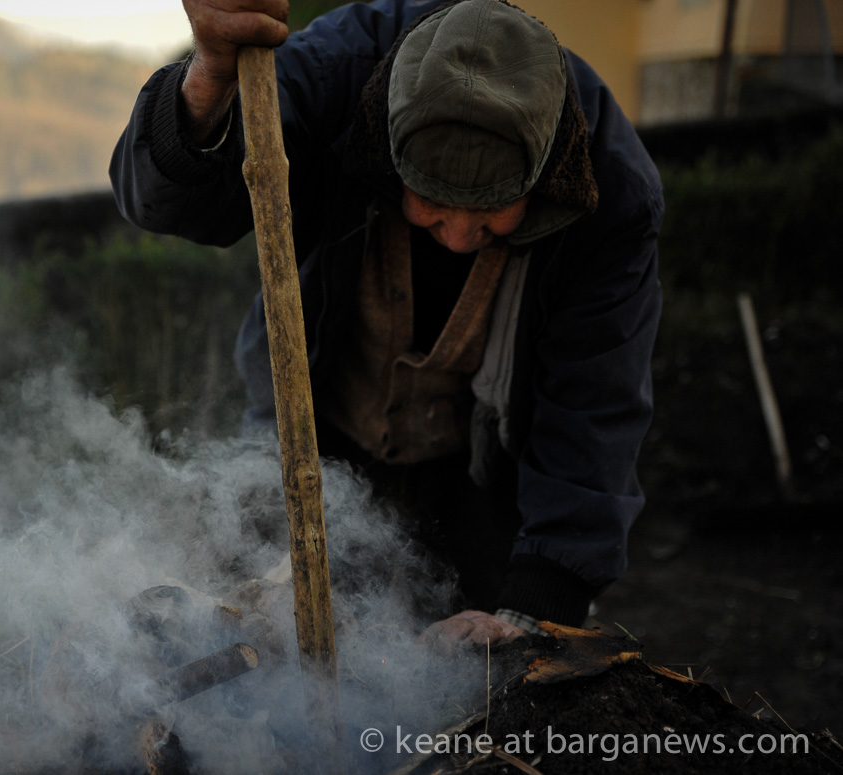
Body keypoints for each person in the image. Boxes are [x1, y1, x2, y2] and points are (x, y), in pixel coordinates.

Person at [110, 0, 663, 648]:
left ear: (542, 177)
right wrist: (209, 75)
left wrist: (535, 607)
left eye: (490, 215)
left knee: (472, 689)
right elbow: (174, 198)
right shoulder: (337, 80)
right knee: (262, 635)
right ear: (388, 148)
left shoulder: (605, 186)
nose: (458, 239)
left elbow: (594, 408)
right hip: (311, 439)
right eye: (431, 202)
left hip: (482, 478)